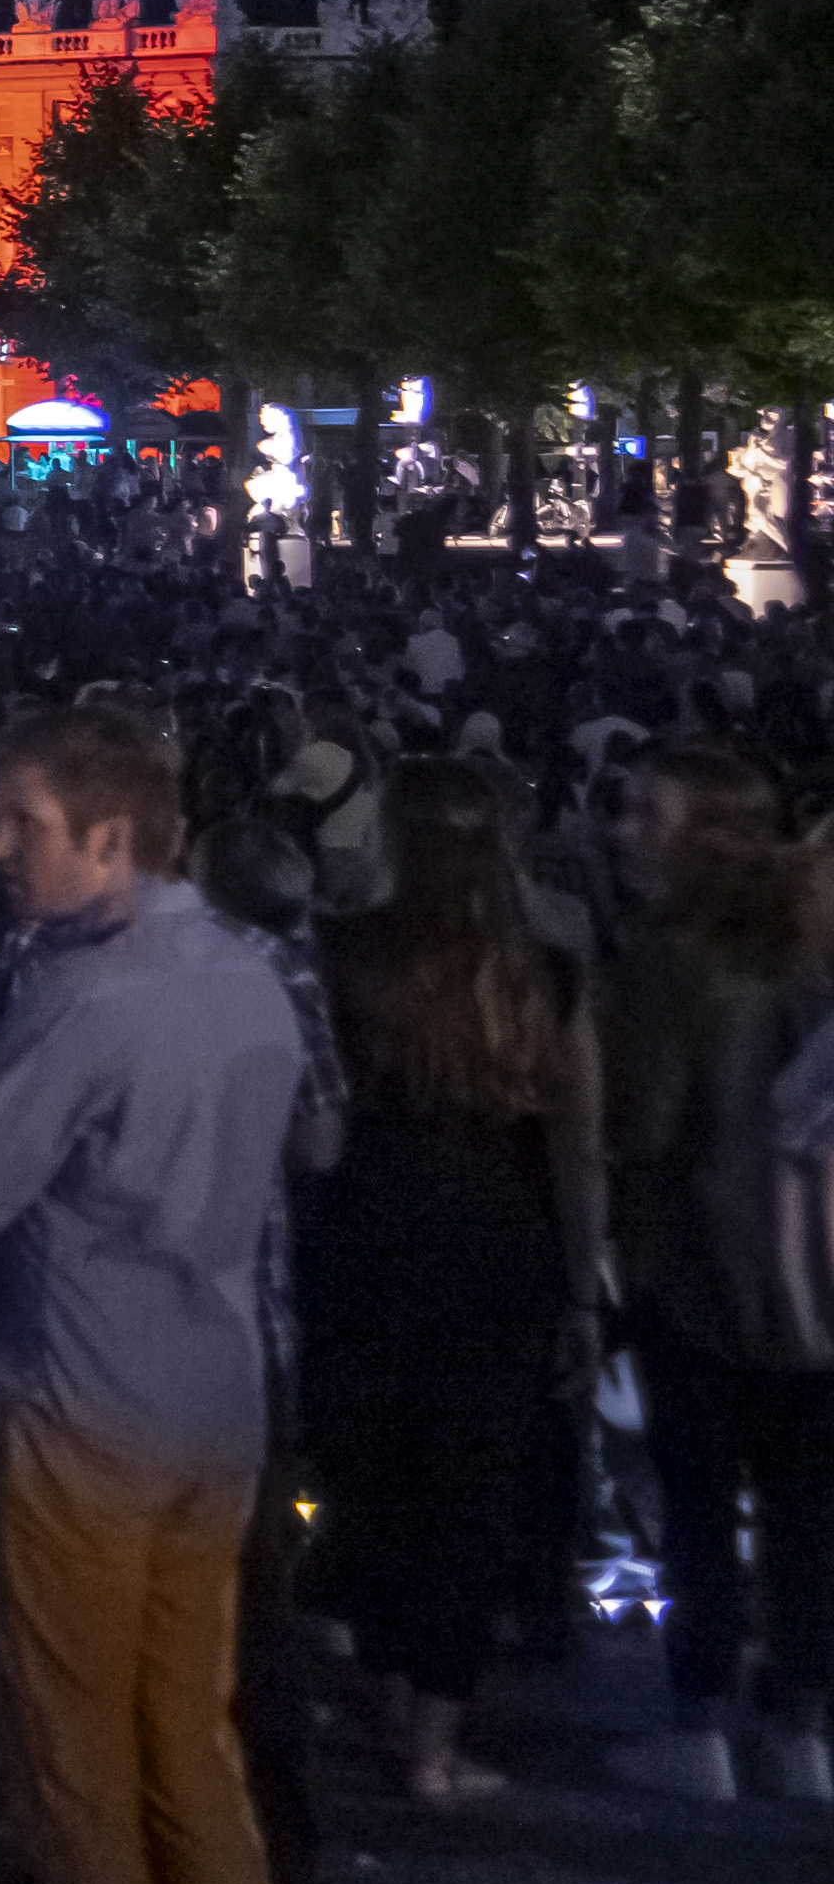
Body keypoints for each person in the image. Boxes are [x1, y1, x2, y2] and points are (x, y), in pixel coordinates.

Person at [0, 703, 307, 1884]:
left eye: (23, 822)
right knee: (192, 1743)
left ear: (110, 837)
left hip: (80, 1411)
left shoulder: (85, 996)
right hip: (219, 1401)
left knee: (76, 1773)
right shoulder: (248, 971)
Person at [294, 766, 602, 1802]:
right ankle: (433, 1736)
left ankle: (384, 1694)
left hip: (370, 1226)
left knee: (373, 1476)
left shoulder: (346, 952)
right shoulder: (545, 972)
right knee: (470, 1493)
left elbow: (320, 1113)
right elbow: (576, 1141)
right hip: (498, 1236)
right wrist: (582, 1276)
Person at [588, 741, 834, 1803]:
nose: (624, 831)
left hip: (700, 1270)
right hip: (818, 1280)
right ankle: (800, 1725)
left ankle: (701, 1721)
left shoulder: (670, 961)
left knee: (698, 1506)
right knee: (807, 1516)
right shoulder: (810, 949)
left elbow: (641, 1127)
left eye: (650, 815)